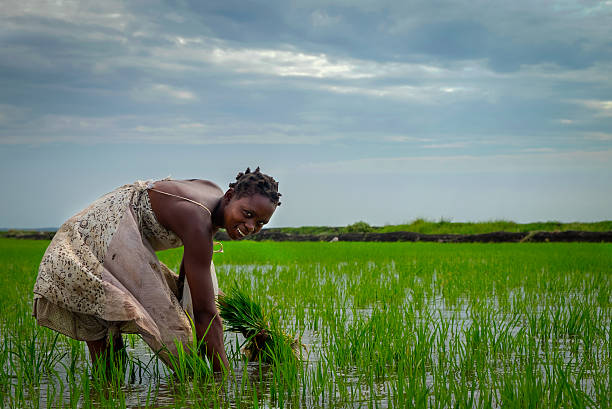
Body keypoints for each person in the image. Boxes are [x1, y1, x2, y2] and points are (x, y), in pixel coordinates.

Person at [32, 167, 281, 372]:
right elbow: (206, 313)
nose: (251, 226)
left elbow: (192, 275)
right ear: (229, 196)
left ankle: (108, 395)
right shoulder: (196, 217)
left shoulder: (213, 200)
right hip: (93, 239)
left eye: (260, 222)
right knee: (168, 337)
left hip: (114, 240)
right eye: (247, 214)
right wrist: (223, 381)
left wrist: (185, 295)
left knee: (117, 351)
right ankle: (111, 393)